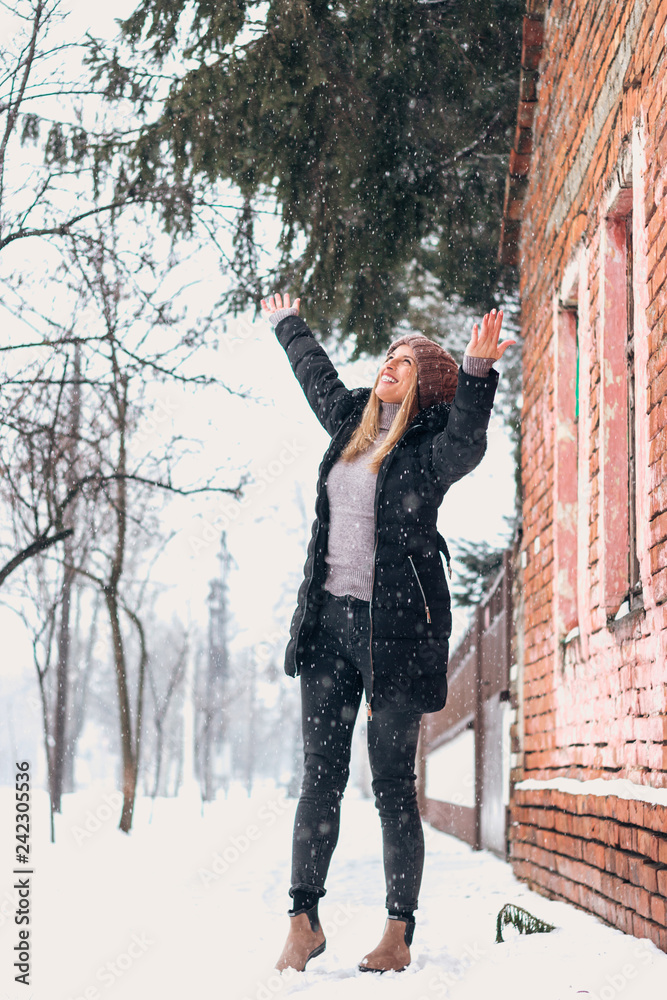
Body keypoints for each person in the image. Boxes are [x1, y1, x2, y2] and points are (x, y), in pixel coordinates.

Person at [260, 292, 515, 974]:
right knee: (320, 778)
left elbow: (468, 438)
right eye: (388, 358)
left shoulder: (431, 453)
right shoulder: (348, 420)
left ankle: (397, 932)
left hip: (396, 635)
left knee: (393, 786)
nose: (389, 367)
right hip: (327, 631)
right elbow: (315, 373)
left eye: (404, 363)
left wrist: (476, 372)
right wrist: (289, 323)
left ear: (423, 383)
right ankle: (301, 920)